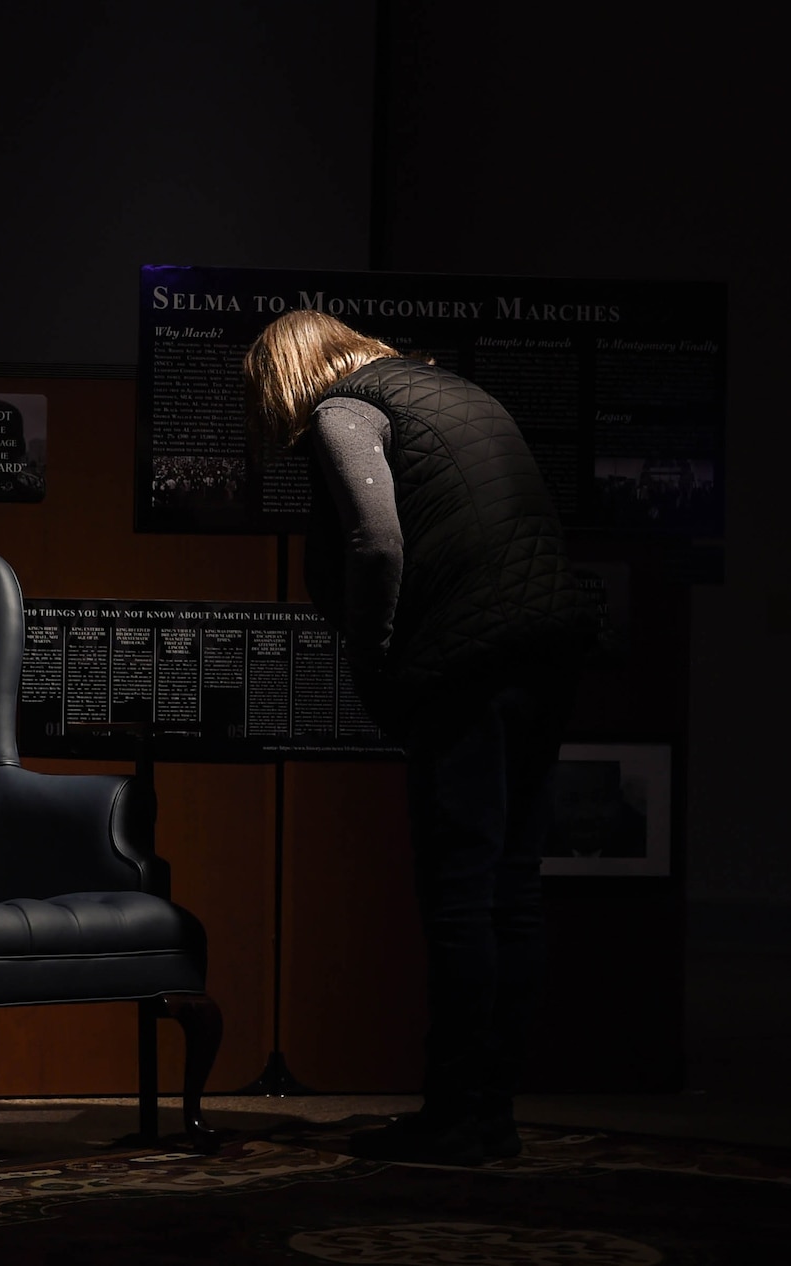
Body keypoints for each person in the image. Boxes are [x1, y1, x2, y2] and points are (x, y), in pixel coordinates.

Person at [241, 309, 598, 1165]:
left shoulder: (343, 409)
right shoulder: (457, 392)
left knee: (460, 897)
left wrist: (373, 662)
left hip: (465, 662)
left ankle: (455, 1119)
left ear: (289, 374)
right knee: (513, 893)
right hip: (551, 650)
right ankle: (492, 1113)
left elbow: (375, 542)